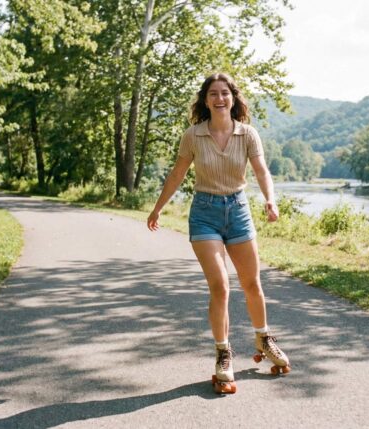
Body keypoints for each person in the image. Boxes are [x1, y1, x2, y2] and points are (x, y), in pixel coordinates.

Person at [147, 73, 291, 394]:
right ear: (206, 99)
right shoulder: (193, 135)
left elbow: (261, 171)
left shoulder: (248, 134)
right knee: (221, 287)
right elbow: (177, 173)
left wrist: (270, 199)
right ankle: (223, 354)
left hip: (238, 211)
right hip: (205, 214)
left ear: (233, 98)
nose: (220, 98)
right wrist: (157, 208)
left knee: (252, 283)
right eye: (213, 93)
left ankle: (264, 339)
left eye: (225, 93)